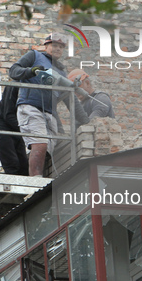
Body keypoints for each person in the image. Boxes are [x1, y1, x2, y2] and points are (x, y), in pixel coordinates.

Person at [9, 33, 89, 176]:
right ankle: (36, 180)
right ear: (46, 46)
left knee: (48, 148)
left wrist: (86, 122)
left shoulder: (61, 71)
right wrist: (31, 71)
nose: (57, 49)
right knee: (40, 143)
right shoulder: (34, 56)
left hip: (49, 113)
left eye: (60, 47)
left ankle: (39, 177)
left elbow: (70, 99)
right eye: (54, 45)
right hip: (31, 107)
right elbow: (13, 71)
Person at [0, 86, 29, 176]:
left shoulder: (30, 88)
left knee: (24, 166)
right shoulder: (13, 86)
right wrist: (26, 131)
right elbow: (8, 115)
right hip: (4, 127)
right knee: (12, 163)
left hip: (17, 128)